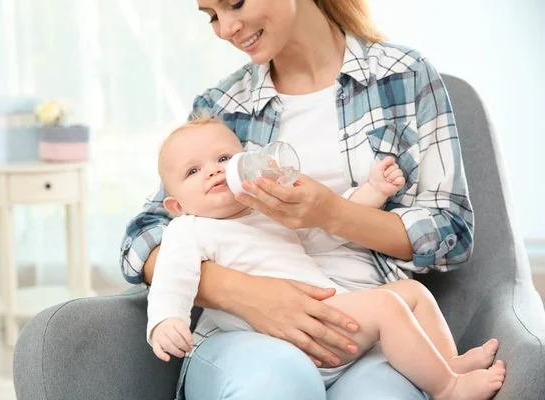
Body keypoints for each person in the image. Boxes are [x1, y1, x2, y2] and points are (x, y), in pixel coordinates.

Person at [120, 0, 478, 398]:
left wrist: (335, 210)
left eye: (234, 3)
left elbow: (451, 233)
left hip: (356, 319)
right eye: (212, 16)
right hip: (250, 335)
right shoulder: (221, 108)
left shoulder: (403, 76)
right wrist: (244, 294)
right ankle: (448, 385)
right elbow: (146, 237)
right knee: (278, 381)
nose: (226, 28)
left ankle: (449, 374)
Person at [147, 117, 505, 399]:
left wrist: (373, 192)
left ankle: (447, 364)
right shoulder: (188, 230)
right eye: (193, 171)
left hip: (329, 323)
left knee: (410, 293)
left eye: (224, 159)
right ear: (176, 206)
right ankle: (447, 390)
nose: (212, 170)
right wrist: (165, 319)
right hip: (282, 341)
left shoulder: (269, 211)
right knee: (386, 306)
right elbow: (171, 276)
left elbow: (326, 230)